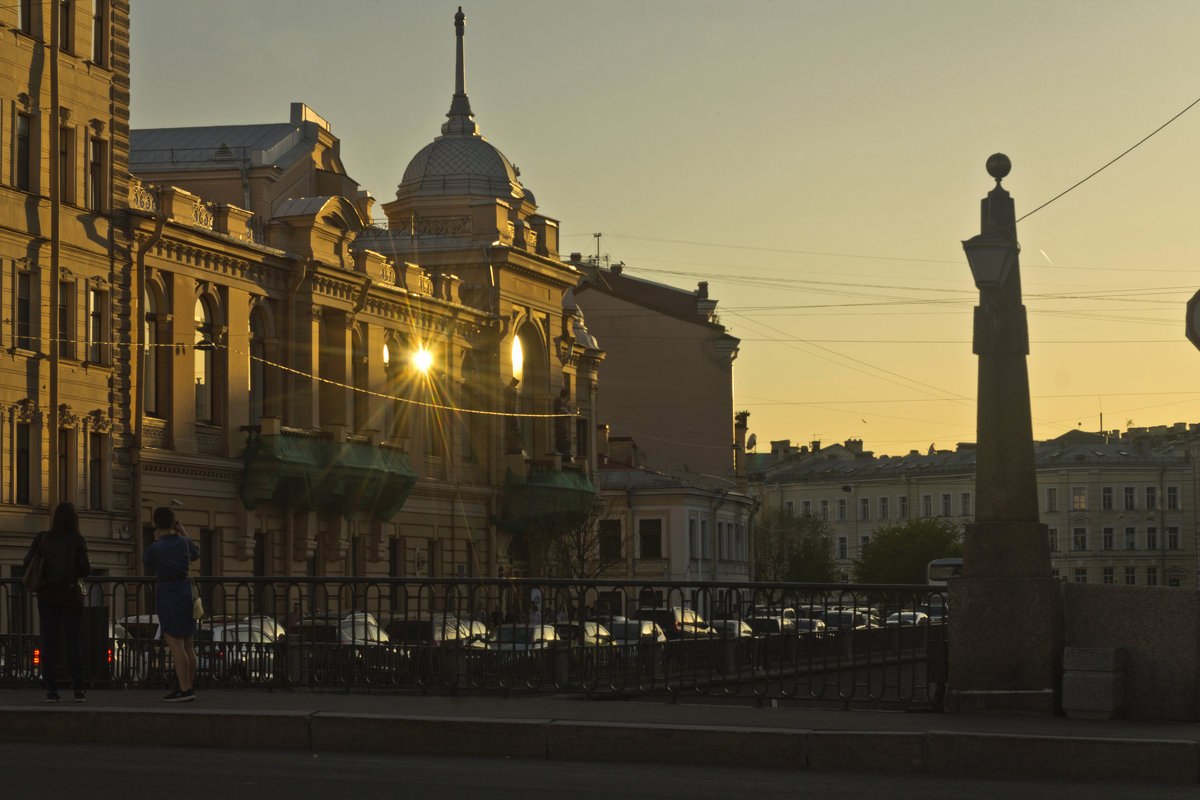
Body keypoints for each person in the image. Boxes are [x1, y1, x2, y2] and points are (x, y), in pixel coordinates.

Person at [24, 502, 91, 702]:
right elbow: (85, 569)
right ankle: (78, 690)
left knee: (49, 643)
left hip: (47, 595)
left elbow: (27, 562)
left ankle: (51, 691)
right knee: (73, 643)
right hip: (70, 596)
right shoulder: (77, 540)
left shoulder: (43, 538)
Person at [142, 506, 200, 702]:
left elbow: (146, 561)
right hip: (186, 595)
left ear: (156, 524)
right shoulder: (184, 543)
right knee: (189, 646)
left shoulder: (155, 548)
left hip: (169, 596)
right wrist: (182, 531)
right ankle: (189, 686)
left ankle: (184, 690)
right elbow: (195, 552)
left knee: (176, 646)